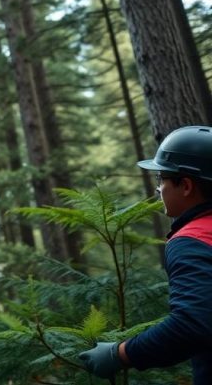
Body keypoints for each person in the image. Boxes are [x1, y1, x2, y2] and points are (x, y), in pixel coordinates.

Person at [79, 125, 212, 382]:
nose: (158, 189)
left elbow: (193, 325)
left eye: (161, 178)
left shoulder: (193, 240)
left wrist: (120, 354)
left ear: (185, 185)